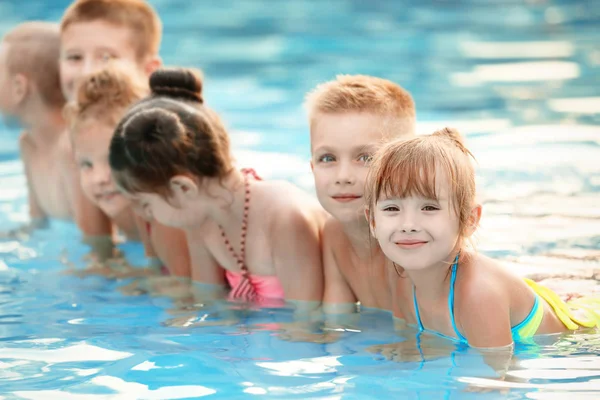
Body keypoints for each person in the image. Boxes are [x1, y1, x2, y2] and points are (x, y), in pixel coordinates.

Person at [108, 68, 327, 310]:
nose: (143, 215)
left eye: (146, 204)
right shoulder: (202, 221)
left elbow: (307, 324)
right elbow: (209, 304)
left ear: (183, 187)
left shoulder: (285, 218)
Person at [365, 127, 600, 349]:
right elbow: (408, 351)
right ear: (372, 221)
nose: (408, 225)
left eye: (429, 207)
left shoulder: (479, 294)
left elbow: (494, 385)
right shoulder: (400, 281)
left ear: (469, 220)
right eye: (391, 209)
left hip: (582, 337)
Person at [65, 63, 190, 285]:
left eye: (112, 161)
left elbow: (184, 292)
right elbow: (100, 253)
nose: (99, 178)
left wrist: (131, 280)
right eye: (86, 164)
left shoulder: (166, 215)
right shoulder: (109, 194)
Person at [58, 0, 163, 257]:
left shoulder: (164, 140)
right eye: (74, 57)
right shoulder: (75, 144)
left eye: (106, 57)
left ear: (150, 71)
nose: (87, 71)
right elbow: (98, 248)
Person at [306, 74, 416, 314]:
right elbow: (337, 322)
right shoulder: (334, 234)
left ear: (404, 164)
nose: (343, 176)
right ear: (312, 167)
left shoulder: (413, 241)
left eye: (366, 158)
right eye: (328, 158)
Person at [0, 22, 71, 234]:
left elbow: (101, 245)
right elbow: (36, 227)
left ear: (19, 88)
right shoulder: (29, 145)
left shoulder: (72, 150)